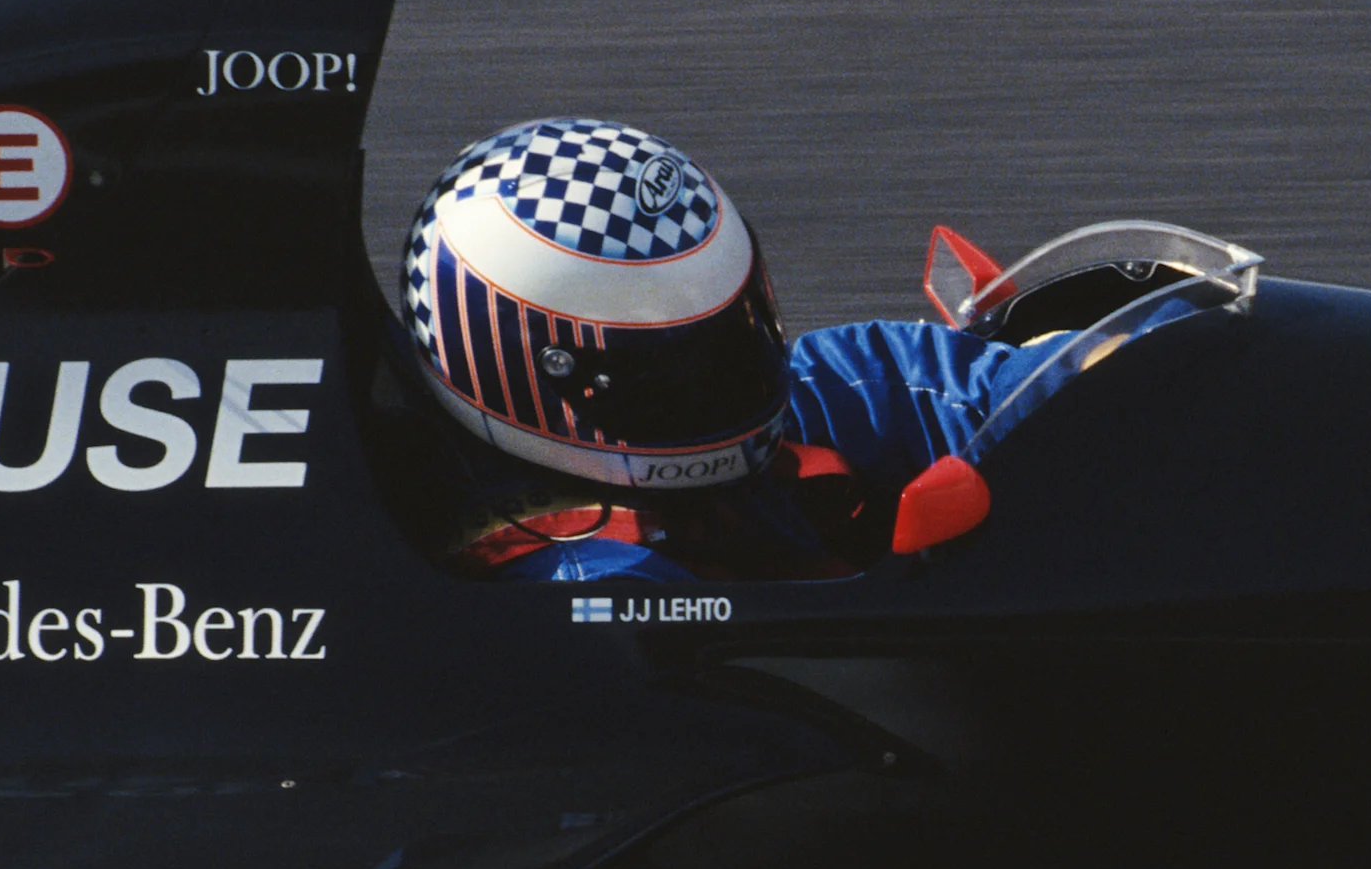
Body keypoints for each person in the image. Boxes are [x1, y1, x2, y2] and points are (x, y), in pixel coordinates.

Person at [402, 119, 1021, 581]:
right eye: (665, 370)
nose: (719, 382)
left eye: (733, 335)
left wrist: (1073, 364)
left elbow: (884, 371)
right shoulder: (592, 582)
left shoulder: (719, 422)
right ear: (532, 374)